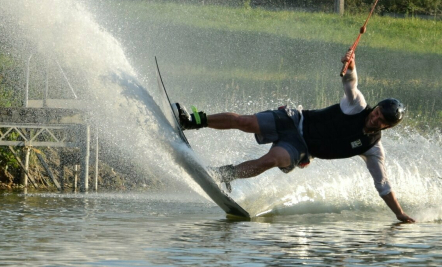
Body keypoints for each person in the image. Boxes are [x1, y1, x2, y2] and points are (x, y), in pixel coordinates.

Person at [175, 49, 415, 223]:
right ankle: (194, 121)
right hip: (295, 119)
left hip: (300, 147)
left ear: (388, 126)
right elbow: (351, 83)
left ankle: (225, 175)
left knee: (271, 160)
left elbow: (382, 184)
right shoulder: (357, 106)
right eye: (377, 113)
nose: (375, 118)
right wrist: (350, 65)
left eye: (382, 120)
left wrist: (399, 213)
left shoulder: (372, 149)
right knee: (245, 122)